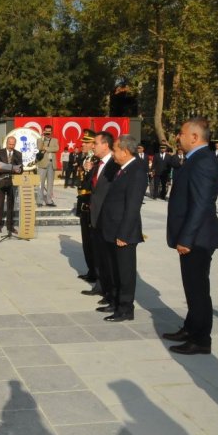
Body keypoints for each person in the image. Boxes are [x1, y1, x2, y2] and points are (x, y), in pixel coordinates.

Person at [163, 118, 218, 355]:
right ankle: (190, 328)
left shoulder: (202, 161)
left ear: (195, 137)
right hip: (194, 235)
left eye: (181, 133)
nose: (178, 137)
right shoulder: (195, 159)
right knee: (192, 288)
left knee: (197, 290)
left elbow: (200, 204)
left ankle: (200, 339)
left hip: (198, 238)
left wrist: (186, 239)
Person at [98, 135, 147, 322]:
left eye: (116, 150)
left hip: (123, 232)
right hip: (112, 229)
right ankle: (116, 302)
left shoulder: (136, 171)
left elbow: (133, 206)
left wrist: (124, 234)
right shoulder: (123, 169)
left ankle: (126, 308)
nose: (113, 153)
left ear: (125, 151)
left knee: (125, 272)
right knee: (115, 269)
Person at [89, 132, 120, 308]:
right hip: (95, 215)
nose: (93, 146)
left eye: (95, 143)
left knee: (109, 258)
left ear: (106, 145)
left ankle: (111, 292)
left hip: (106, 217)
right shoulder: (97, 163)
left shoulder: (114, 165)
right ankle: (101, 286)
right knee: (99, 254)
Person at [75, 130, 96, 282]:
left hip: (90, 205)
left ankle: (96, 272)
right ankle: (91, 270)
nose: (83, 144)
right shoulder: (85, 158)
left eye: (86, 142)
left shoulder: (95, 161)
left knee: (92, 241)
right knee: (86, 241)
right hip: (83, 204)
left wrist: (91, 169)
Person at [0, 136, 23, 233]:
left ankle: (10, 226)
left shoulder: (18, 154)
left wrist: (19, 169)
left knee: (11, 205)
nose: (11, 146)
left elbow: (21, 168)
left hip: (12, 182)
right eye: (10, 144)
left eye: (13, 144)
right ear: (6, 143)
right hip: (0, 181)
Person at [36, 124, 59, 206]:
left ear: (51, 132)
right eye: (46, 131)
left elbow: (56, 148)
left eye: (49, 131)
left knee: (50, 183)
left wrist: (46, 148)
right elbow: (39, 148)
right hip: (42, 163)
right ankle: (39, 200)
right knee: (40, 183)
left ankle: (49, 200)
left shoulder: (55, 140)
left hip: (51, 163)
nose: (48, 133)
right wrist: (42, 139)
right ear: (44, 131)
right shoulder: (40, 140)